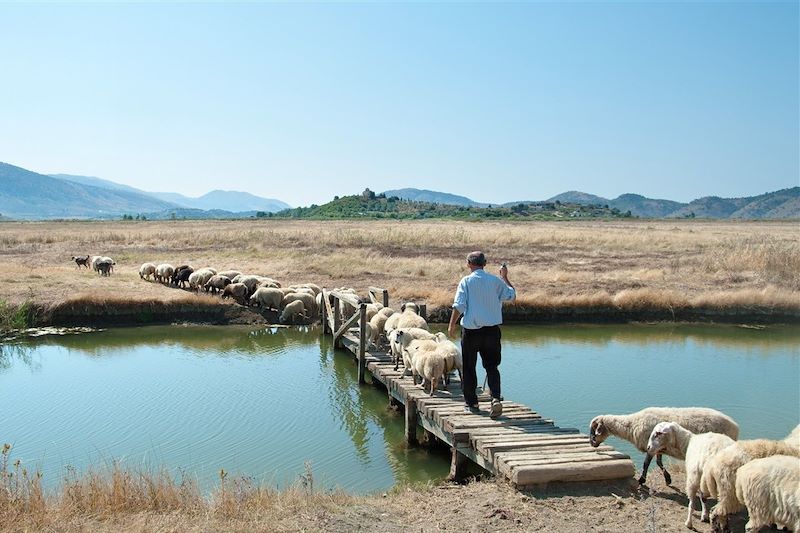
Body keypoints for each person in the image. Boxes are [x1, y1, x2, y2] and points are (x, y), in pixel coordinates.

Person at [447, 251, 515, 418]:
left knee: (469, 367)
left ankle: (472, 403)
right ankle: (495, 398)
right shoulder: (495, 281)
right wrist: (504, 277)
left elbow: (459, 306)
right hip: (492, 331)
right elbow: (512, 296)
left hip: (471, 332)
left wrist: (451, 326)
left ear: (469, 264)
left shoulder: (466, 281)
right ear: (485, 264)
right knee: (492, 367)